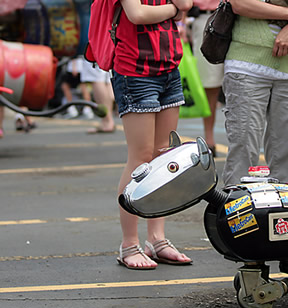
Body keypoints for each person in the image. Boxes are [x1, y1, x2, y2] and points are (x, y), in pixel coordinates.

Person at [112, 0, 194, 269]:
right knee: (140, 158)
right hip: (135, 71)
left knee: (164, 155)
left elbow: (186, 5)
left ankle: (156, 239)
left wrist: (176, 9)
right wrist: (171, 10)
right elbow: (137, 14)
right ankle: (129, 244)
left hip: (168, 67)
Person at [221, 0, 288, 185]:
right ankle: (237, 209)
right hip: (246, 64)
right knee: (244, 146)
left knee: (287, 148)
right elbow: (239, 4)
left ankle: (283, 210)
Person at [191, 0, 224, 155]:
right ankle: (209, 138)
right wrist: (182, 25)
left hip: (240, 17)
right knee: (210, 84)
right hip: (207, 19)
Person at [81, 62, 116, 134]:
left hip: (95, 53)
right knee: (106, 80)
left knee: (96, 80)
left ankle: (107, 121)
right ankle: (108, 120)